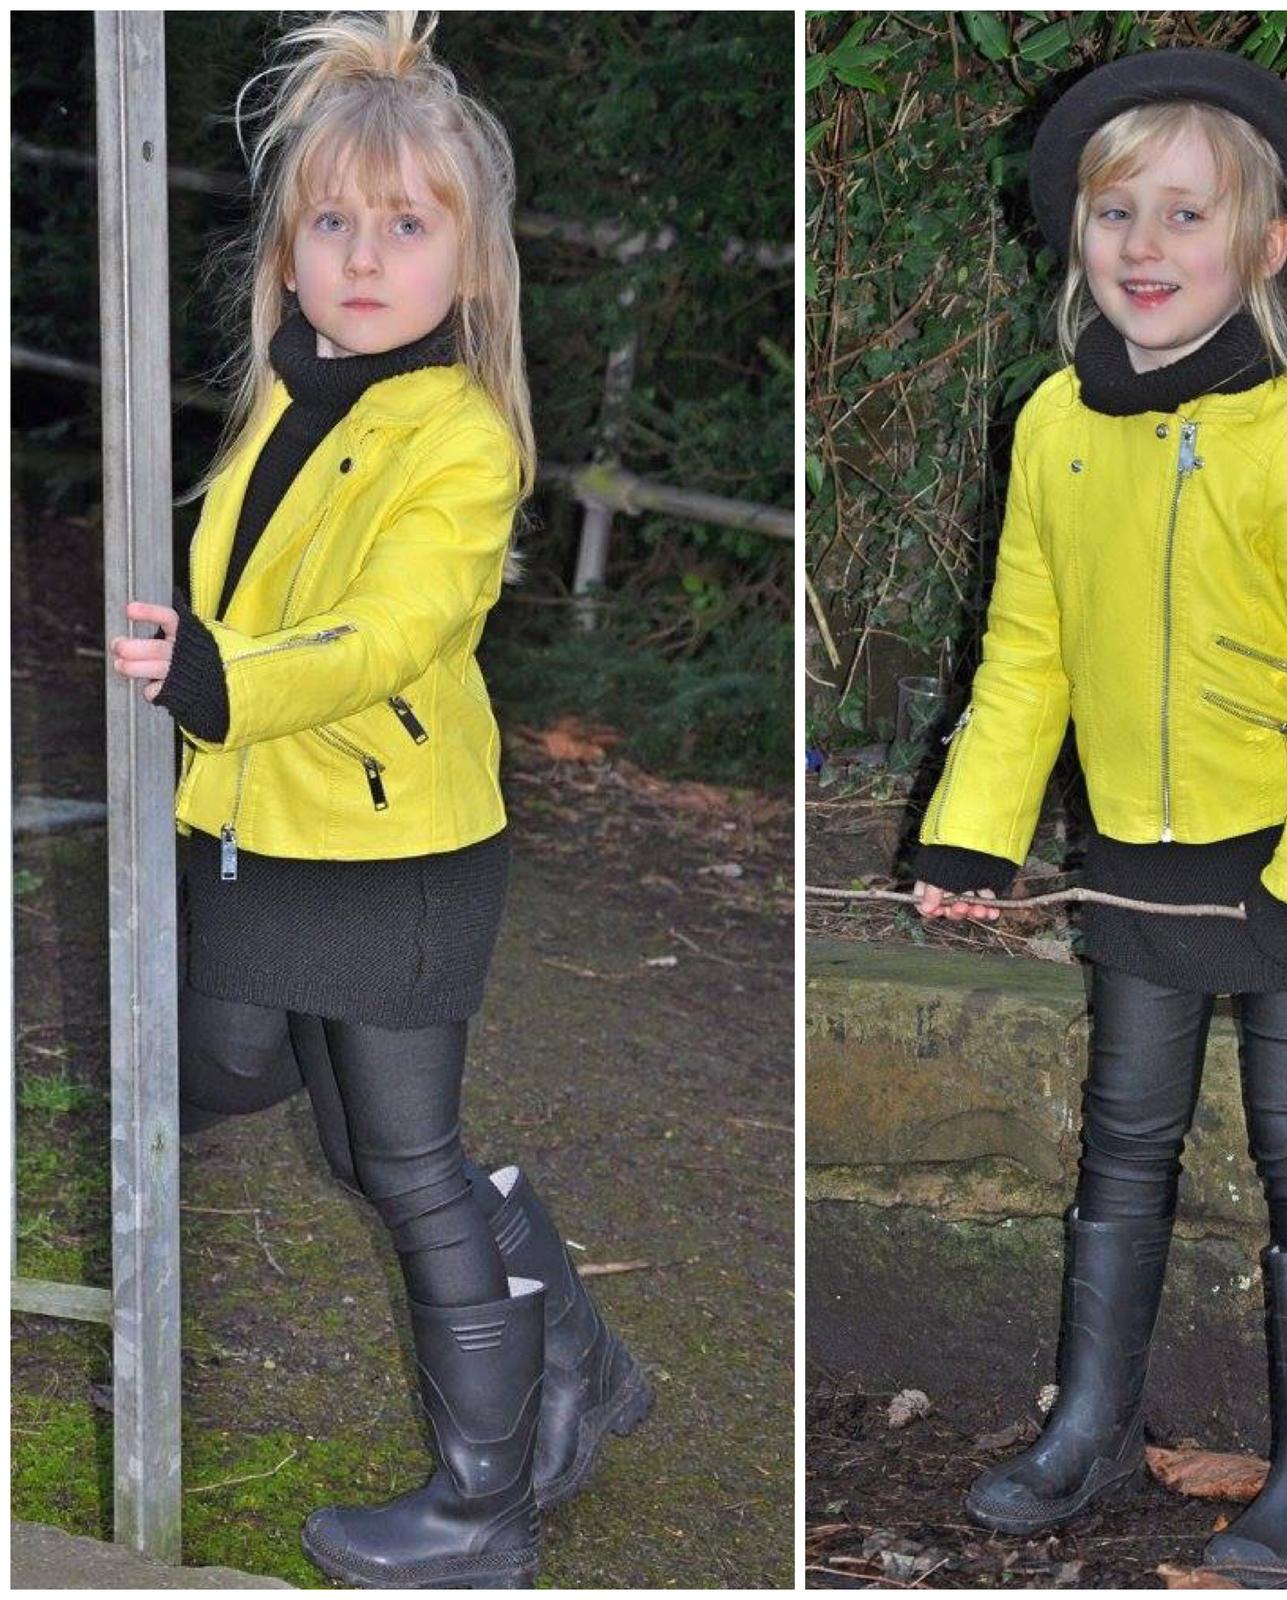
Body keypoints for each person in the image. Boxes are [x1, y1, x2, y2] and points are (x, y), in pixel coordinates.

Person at [107, 12, 649, 1588]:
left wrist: (217, 681)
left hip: (397, 846)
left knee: (402, 1158)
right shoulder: (293, 397)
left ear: (469, 263)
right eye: (332, 222)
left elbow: (391, 634)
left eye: (406, 227)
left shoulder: (458, 438)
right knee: (312, 1115)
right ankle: (577, 1362)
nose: (362, 257)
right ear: (286, 252)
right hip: (269, 827)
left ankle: (483, 1509)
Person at [909, 48, 1287, 1589]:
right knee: (1125, 1135)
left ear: (1265, 246)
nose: (1144, 244)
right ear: (1077, 233)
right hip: (1133, 860)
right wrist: (971, 835)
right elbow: (1027, 652)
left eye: (1187, 214)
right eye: (1116, 210)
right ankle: (1094, 1429)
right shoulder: (1055, 424)